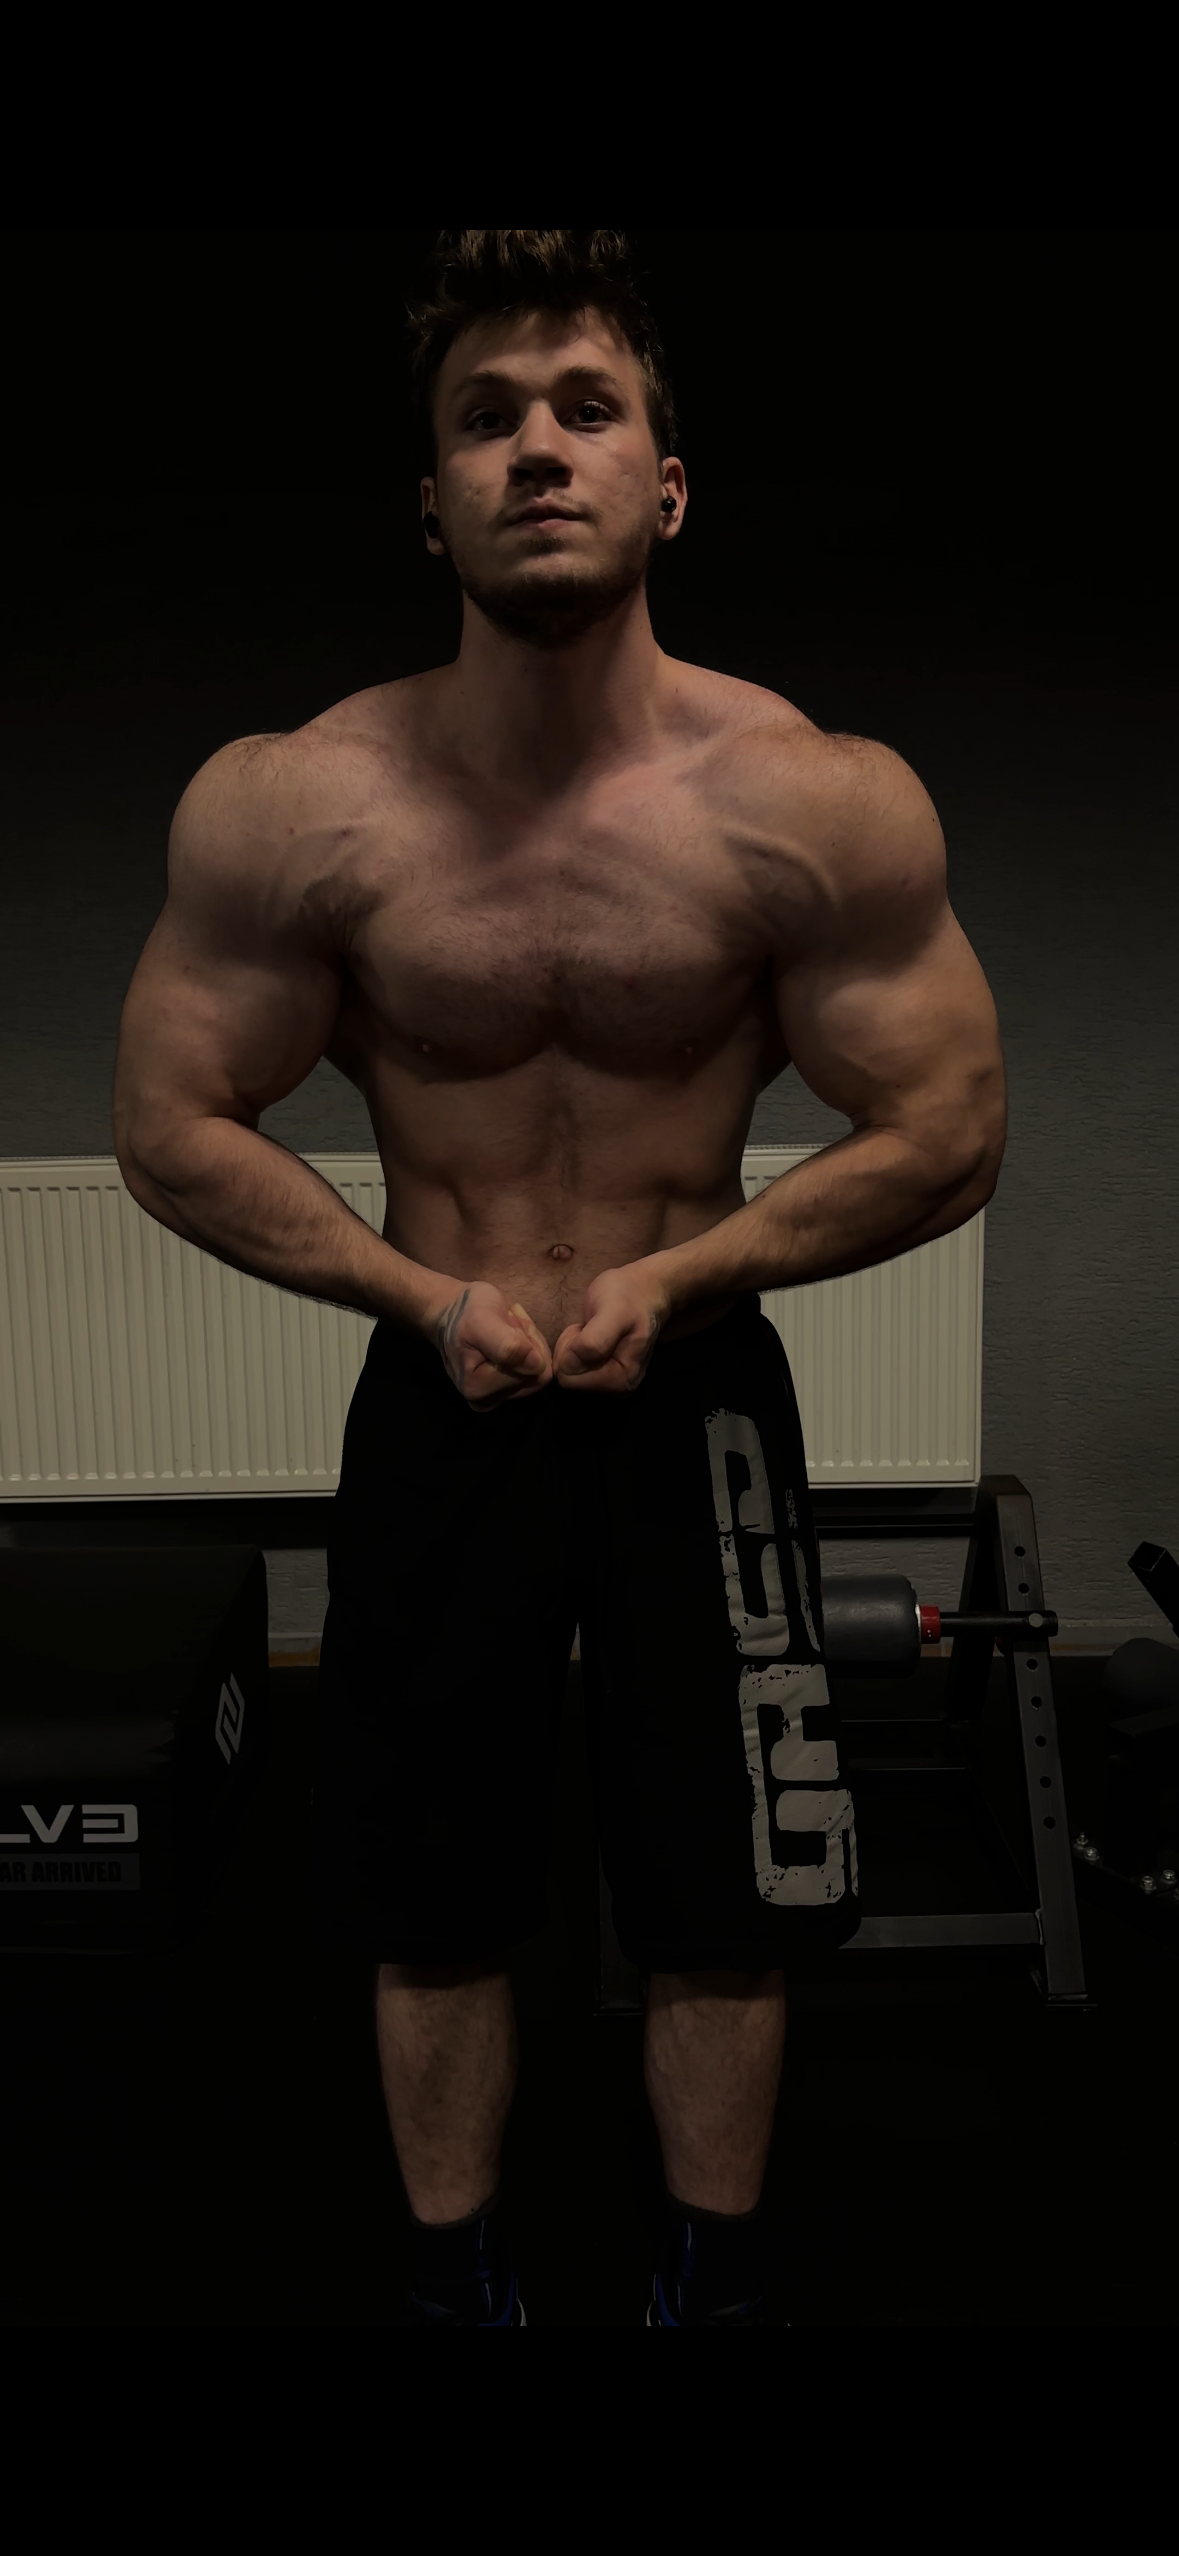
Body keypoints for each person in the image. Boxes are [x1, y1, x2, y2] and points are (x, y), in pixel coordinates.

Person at [113, 230, 1007, 2326]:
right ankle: (463, 2289)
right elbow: (171, 1123)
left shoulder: (813, 803)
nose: (536, 449)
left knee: (726, 1891)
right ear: (426, 500)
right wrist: (414, 1300)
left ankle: (706, 2286)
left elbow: (946, 1124)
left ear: (663, 487)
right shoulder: (290, 808)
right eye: (485, 418)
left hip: (695, 1402)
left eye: (585, 410)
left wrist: (690, 1275)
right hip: (447, 1387)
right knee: (428, 1897)